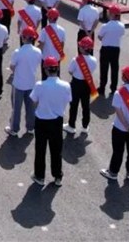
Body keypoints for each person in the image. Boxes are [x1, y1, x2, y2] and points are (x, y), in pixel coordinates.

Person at [100, 66, 129, 182]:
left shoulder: (119, 93)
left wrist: (126, 126)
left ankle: (113, 172)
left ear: (124, 77)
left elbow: (119, 111)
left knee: (118, 151)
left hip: (120, 128)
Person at [30, 57, 71, 187]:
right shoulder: (66, 85)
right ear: (57, 69)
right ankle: (57, 176)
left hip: (41, 120)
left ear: (46, 70)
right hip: (57, 121)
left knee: (40, 149)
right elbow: (67, 100)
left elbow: (33, 101)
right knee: (56, 150)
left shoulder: (40, 85)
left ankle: (39, 176)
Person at [6, 28, 42, 137]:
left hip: (18, 84)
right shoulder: (38, 51)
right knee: (30, 107)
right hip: (31, 83)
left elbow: (12, 66)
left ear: (24, 37)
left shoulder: (18, 52)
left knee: (16, 108)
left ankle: (14, 129)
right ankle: (30, 128)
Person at [65, 36, 98, 136]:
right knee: (85, 105)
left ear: (83, 48)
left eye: (80, 46)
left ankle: (71, 126)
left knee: (74, 105)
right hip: (87, 84)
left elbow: (70, 71)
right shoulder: (94, 60)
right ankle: (85, 126)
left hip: (76, 83)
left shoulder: (76, 60)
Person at [97, 4, 126, 97]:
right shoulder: (121, 26)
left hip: (105, 49)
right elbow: (121, 34)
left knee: (104, 69)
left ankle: (102, 88)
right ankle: (113, 88)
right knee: (114, 69)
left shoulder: (105, 26)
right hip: (116, 49)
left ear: (112, 14)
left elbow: (99, 37)